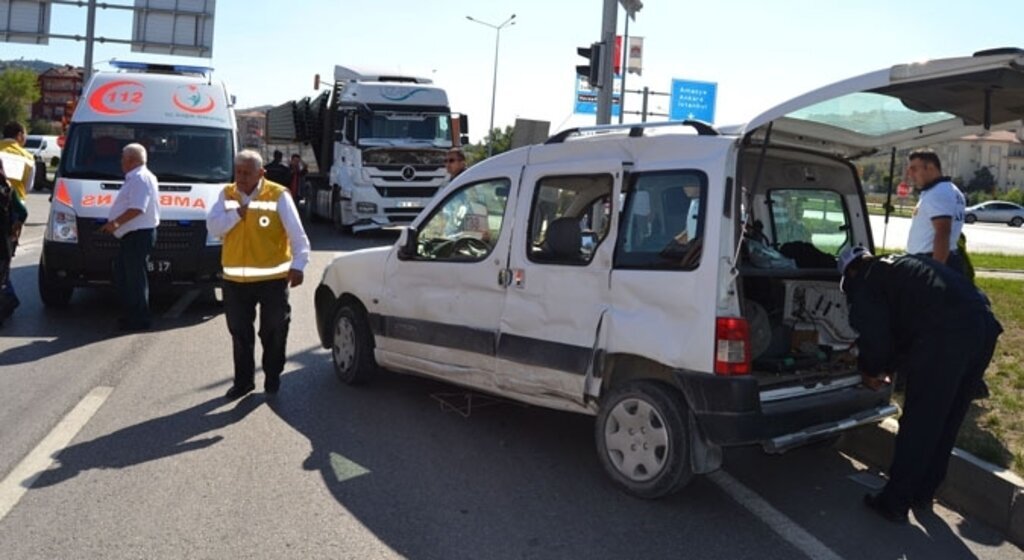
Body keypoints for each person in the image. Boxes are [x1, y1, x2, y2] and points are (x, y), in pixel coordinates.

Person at [837, 246, 1002, 524]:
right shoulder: (901, 264)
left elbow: (878, 340)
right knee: (948, 417)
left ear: (851, 272)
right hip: (982, 327)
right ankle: (923, 492)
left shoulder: (867, 281)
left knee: (919, 422)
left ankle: (894, 502)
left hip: (946, 336)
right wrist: (888, 364)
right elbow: (905, 328)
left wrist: (870, 370)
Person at [207, 150, 310, 400]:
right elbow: (213, 227)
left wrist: (299, 265)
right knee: (240, 333)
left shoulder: (277, 195)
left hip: (272, 279)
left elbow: (298, 235)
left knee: (273, 330)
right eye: (238, 172)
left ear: (260, 173)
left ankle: (273, 374)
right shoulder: (227, 194)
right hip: (234, 280)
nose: (240, 177)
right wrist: (237, 214)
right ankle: (243, 382)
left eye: (246, 172)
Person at [99, 144, 160, 331]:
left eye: (123, 158)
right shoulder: (138, 177)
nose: (121, 162)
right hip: (133, 234)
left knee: (134, 278)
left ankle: (139, 318)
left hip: (138, 235)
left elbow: (137, 208)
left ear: (131, 160)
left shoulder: (140, 178)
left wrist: (114, 224)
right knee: (125, 275)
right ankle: (131, 314)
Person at [905, 149, 967, 275]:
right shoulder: (949, 190)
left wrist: (935, 272)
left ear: (931, 167)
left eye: (914, 169)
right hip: (941, 258)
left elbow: (943, 232)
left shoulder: (938, 193)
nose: (910, 174)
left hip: (931, 261)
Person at [0, 122, 35, 306]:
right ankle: (8, 297)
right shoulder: (27, 157)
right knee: (6, 255)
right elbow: (28, 187)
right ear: (19, 135)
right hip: (13, 210)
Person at [0, 158, 27, 326]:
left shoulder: (7, 191)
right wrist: (15, 230)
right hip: (4, 244)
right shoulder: (8, 190)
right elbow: (22, 212)